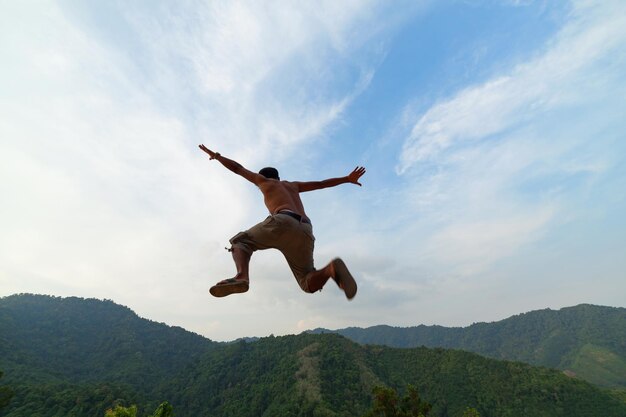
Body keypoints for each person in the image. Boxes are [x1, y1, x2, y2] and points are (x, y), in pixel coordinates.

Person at [199, 144, 366, 300]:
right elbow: (321, 184)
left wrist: (217, 156)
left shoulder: (263, 181)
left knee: (240, 241)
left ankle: (242, 276)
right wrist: (346, 178)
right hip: (306, 229)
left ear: (263, 177)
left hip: (283, 221)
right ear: (279, 177)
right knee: (307, 282)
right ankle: (331, 269)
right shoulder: (293, 186)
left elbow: (238, 169)